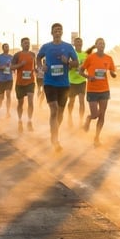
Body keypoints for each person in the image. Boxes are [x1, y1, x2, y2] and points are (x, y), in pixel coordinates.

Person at [37, 23, 78, 151]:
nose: (58, 32)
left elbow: (76, 64)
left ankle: (54, 131)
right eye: (55, 30)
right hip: (49, 82)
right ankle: (55, 139)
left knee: (60, 113)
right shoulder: (46, 47)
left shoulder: (68, 47)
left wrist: (69, 62)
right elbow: (38, 57)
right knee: (54, 109)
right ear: (51, 33)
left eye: (60, 30)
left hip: (64, 84)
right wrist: (40, 67)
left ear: (62, 32)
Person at [79, 37, 117, 146]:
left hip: (104, 90)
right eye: (99, 43)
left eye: (103, 43)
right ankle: (89, 118)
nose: (102, 45)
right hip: (92, 90)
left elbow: (113, 72)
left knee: (102, 115)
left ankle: (96, 137)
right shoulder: (90, 57)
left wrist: (113, 74)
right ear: (96, 45)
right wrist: (88, 76)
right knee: (95, 114)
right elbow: (80, 71)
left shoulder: (109, 58)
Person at [11, 37, 38, 133]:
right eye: (25, 43)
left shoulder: (32, 54)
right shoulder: (17, 55)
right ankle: (20, 121)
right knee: (20, 103)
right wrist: (20, 65)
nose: (27, 44)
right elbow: (11, 67)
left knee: (31, 101)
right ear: (21, 44)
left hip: (30, 81)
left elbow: (33, 67)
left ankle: (29, 121)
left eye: (28, 43)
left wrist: (36, 70)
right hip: (20, 83)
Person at [66, 37, 88, 127]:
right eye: (77, 42)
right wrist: (72, 66)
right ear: (74, 44)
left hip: (82, 80)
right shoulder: (71, 54)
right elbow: (67, 67)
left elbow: (88, 66)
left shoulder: (85, 54)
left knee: (82, 101)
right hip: (72, 81)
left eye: (80, 42)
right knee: (71, 101)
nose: (79, 43)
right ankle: (70, 116)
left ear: (82, 44)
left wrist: (83, 69)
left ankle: (81, 121)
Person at [0, 43, 15, 119]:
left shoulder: (11, 57)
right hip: (0, 79)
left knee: (8, 95)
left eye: (8, 47)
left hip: (9, 79)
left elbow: (14, 66)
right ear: (3, 48)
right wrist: (1, 67)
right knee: (2, 96)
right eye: (6, 47)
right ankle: (0, 100)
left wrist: (13, 68)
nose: (7, 48)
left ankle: (8, 112)